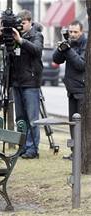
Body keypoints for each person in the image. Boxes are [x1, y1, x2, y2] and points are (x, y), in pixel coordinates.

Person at [0, 9, 44, 159]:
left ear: (30, 22)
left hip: (30, 82)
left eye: (24, 23)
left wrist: (20, 40)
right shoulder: (12, 35)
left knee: (32, 118)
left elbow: (37, 50)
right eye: (19, 23)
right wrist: (1, 33)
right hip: (16, 81)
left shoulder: (36, 35)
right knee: (20, 118)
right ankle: (22, 147)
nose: (21, 26)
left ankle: (32, 148)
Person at [52, 20, 87, 160]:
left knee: (82, 124)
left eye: (75, 32)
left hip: (83, 90)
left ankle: (83, 154)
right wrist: (61, 48)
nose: (72, 35)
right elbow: (56, 59)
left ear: (81, 32)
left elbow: (81, 65)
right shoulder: (69, 43)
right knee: (73, 124)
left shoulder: (86, 44)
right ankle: (75, 152)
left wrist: (68, 49)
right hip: (72, 89)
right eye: (70, 31)